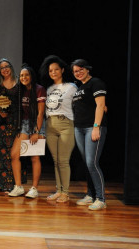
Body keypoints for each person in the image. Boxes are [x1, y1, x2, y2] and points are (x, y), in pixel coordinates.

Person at [39, 55, 77, 203]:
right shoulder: (48, 89)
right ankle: (59, 190)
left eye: (56, 69)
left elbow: (81, 102)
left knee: (63, 160)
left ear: (62, 70)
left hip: (66, 124)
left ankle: (65, 193)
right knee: (56, 161)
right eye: (50, 70)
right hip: (50, 125)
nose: (53, 72)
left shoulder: (71, 87)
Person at [71, 59, 108, 210]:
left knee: (92, 163)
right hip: (79, 128)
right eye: (75, 71)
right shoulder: (80, 87)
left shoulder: (96, 83)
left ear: (87, 69)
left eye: (80, 70)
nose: (78, 73)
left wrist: (96, 127)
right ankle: (90, 195)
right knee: (87, 164)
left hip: (91, 128)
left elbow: (100, 105)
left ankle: (101, 198)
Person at [8, 64, 46, 198]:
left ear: (31, 76)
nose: (24, 77)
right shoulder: (20, 90)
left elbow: (41, 113)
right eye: (22, 75)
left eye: (26, 75)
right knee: (14, 154)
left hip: (37, 123)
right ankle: (18, 187)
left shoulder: (39, 89)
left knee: (34, 157)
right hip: (24, 124)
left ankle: (34, 188)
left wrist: (36, 131)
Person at [0, 58, 21, 193]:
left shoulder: (19, 83)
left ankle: (13, 184)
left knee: (13, 153)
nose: (4, 69)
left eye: (6, 66)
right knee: (0, 152)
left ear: (11, 67)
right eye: (1, 68)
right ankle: (1, 184)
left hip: (16, 122)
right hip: (1, 122)